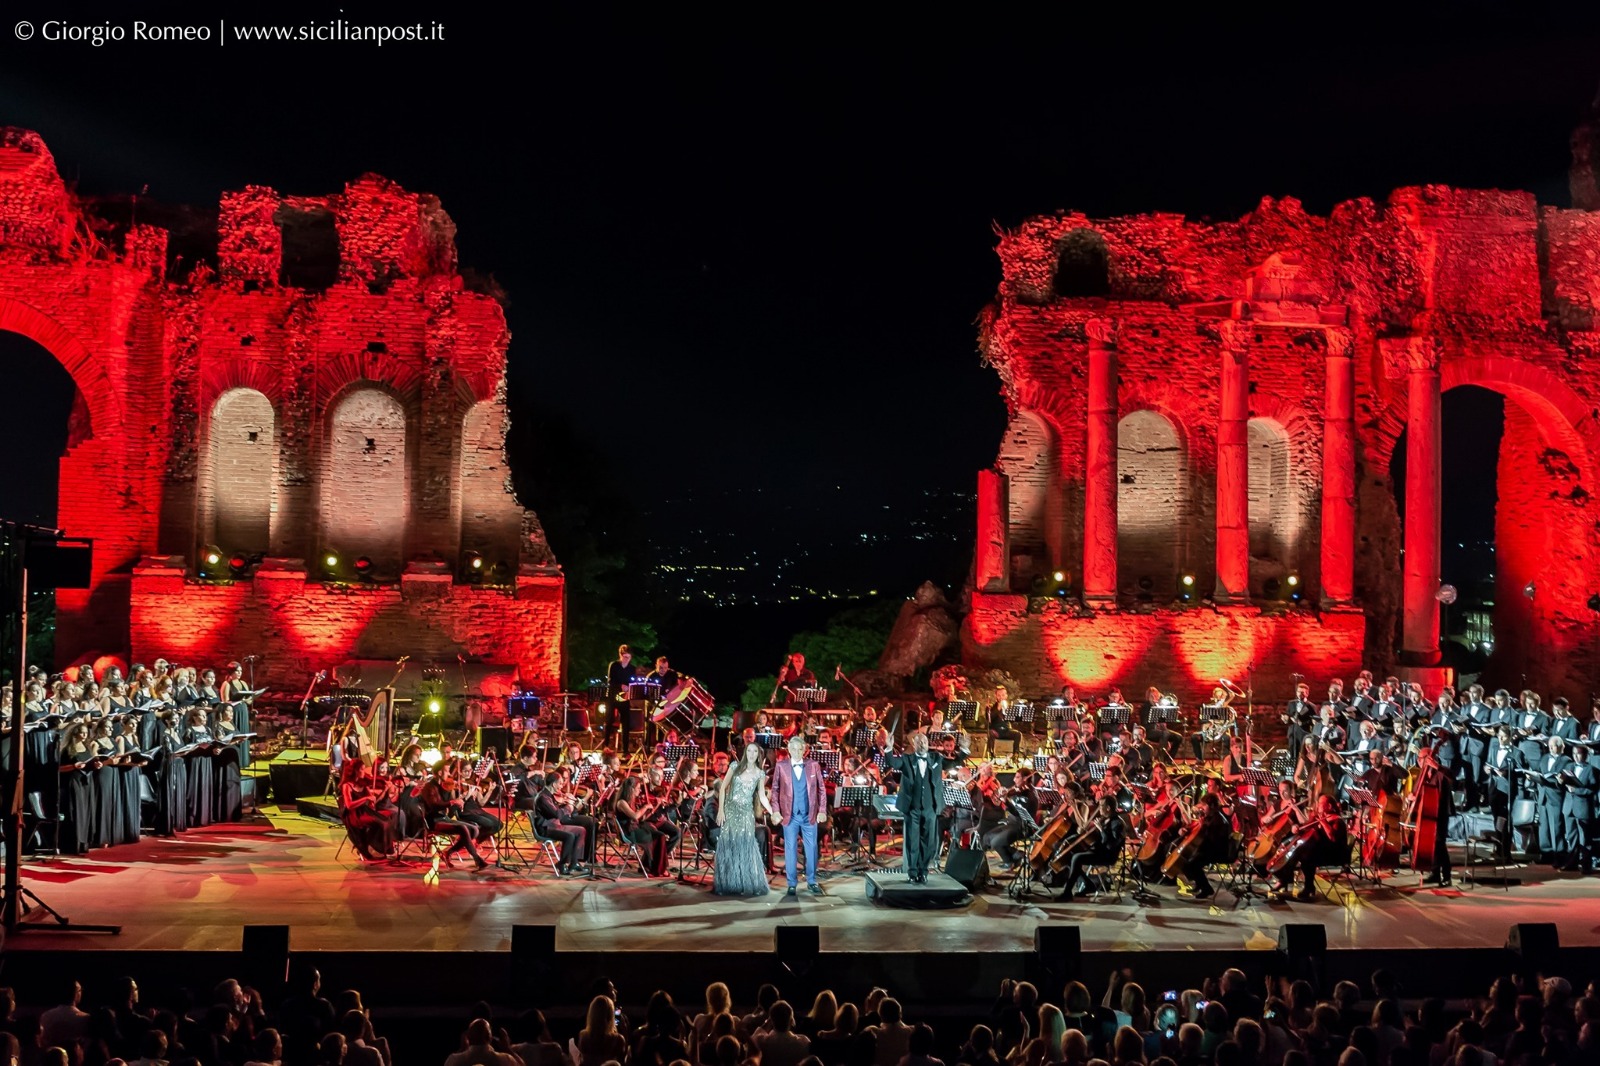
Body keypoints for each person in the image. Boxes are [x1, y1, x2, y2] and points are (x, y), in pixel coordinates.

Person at [888, 732, 956, 883]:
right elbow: (893, 763)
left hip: (930, 808)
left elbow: (953, 763)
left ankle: (923, 871)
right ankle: (912, 873)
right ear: (914, 744)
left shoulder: (936, 758)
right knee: (913, 841)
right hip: (912, 808)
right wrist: (888, 748)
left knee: (929, 841)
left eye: (924, 742)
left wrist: (964, 750)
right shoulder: (907, 759)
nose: (922, 745)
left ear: (928, 743)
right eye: (919, 743)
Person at [714, 738, 774, 896]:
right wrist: (721, 810)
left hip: (746, 813)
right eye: (749, 751)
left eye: (755, 751)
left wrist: (772, 811)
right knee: (729, 845)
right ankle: (728, 883)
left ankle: (746, 882)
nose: (752, 754)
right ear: (745, 753)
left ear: (759, 754)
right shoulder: (735, 767)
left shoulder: (760, 774)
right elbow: (722, 789)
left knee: (745, 845)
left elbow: (762, 796)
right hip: (731, 810)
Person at [770, 734, 828, 896]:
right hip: (790, 815)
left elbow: (822, 790)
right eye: (793, 749)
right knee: (790, 849)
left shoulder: (813, 765)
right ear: (788, 750)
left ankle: (811, 880)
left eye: (800, 749)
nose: (796, 752)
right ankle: (792, 883)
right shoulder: (781, 766)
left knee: (812, 849)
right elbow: (775, 789)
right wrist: (775, 810)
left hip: (809, 815)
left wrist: (822, 810)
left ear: (805, 750)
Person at [1057, 794, 1126, 901]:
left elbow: (1111, 845)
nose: (1099, 808)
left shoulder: (1117, 823)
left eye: (1101, 806)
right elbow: (1094, 838)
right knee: (1070, 855)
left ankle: (1067, 892)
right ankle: (1089, 885)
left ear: (1108, 808)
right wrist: (1084, 831)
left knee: (1077, 858)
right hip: (1098, 851)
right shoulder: (1104, 819)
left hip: (1107, 855)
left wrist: (1101, 829)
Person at [1563, 742, 1597, 873]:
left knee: (1585, 838)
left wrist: (1576, 790)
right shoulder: (1569, 766)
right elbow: (1562, 784)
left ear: (1585, 755)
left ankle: (1586, 865)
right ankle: (1571, 863)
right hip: (1569, 806)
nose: (1576, 757)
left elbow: (1592, 789)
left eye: (1579, 754)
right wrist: (1560, 782)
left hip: (1583, 807)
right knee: (1571, 836)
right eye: (1574, 754)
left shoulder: (1592, 770)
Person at [606, 645, 640, 755]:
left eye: (628, 657)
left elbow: (632, 682)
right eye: (625, 657)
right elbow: (610, 682)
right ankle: (606, 746)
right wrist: (620, 685)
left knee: (626, 722)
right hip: (613, 696)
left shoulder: (632, 668)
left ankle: (625, 750)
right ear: (620, 655)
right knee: (609, 720)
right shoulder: (614, 665)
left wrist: (629, 690)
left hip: (624, 698)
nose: (626, 659)